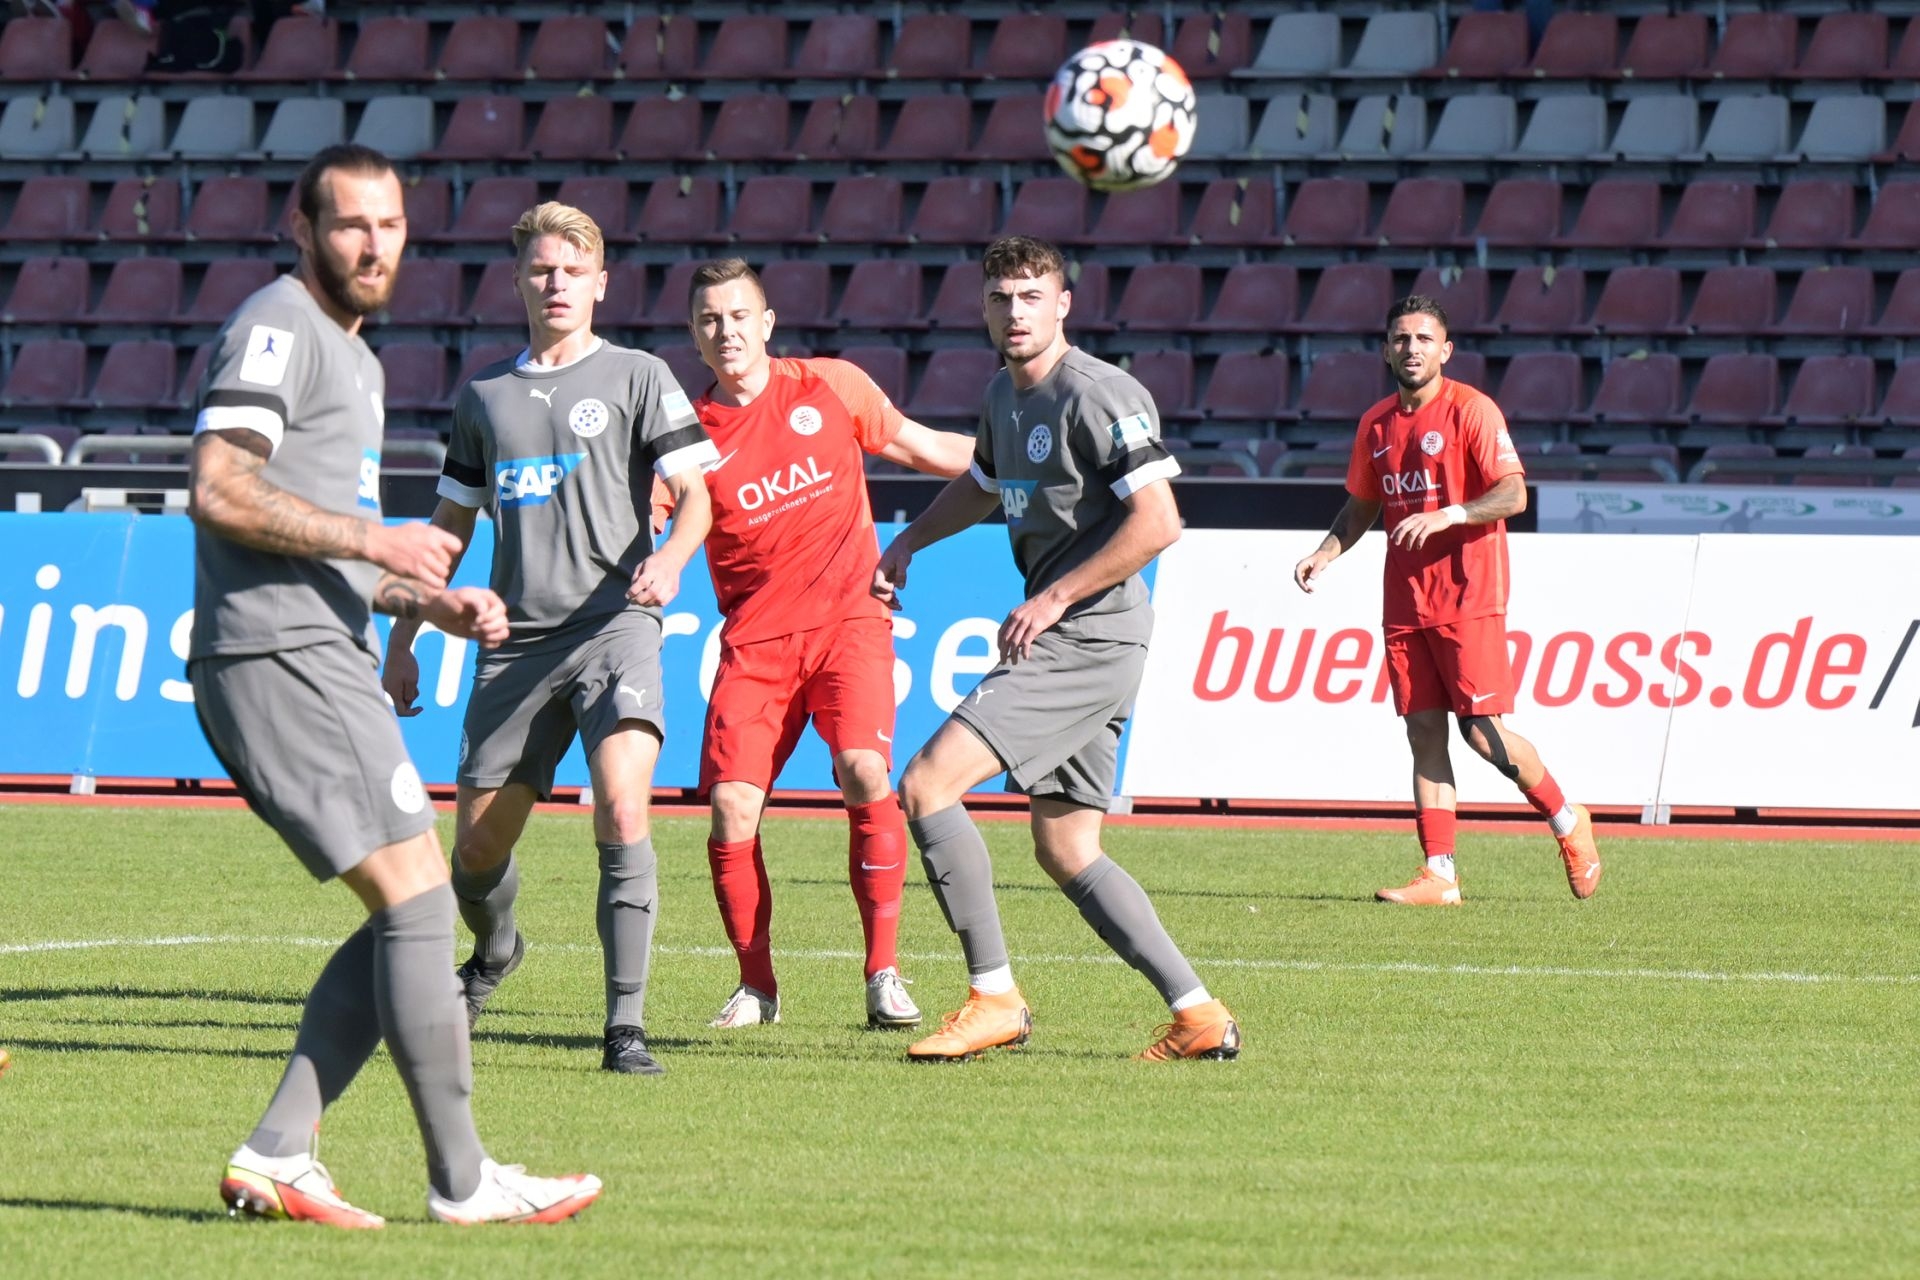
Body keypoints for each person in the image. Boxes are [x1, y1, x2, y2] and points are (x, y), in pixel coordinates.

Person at [188, 145, 599, 1227]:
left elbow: (325, 536)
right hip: (279, 652)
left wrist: (427, 600)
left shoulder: (355, 359)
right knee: (419, 898)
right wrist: (375, 536)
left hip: (319, 644)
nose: (374, 245)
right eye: (350, 224)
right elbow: (221, 486)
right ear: (301, 227)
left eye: (392, 225)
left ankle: (280, 1148)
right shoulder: (278, 325)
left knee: (407, 907)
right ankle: (462, 1178)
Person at [871, 235, 1240, 1063]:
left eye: (1031, 296)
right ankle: (1199, 1014)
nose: (1015, 312)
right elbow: (982, 483)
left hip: (1088, 632)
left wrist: (1055, 596)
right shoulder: (1004, 394)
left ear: (1063, 303)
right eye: (1000, 298)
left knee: (928, 786)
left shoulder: (1099, 393)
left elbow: (1160, 521)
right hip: (1078, 630)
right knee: (1067, 845)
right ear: (983, 308)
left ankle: (993, 996)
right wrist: (910, 544)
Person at [382, 202, 716, 1075]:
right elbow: (448, 532)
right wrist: (404, 639)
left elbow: (698, 495)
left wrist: (675, 558)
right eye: (541, 269)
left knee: (622, 806)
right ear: (520, 280)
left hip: (618, 626)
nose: (557, 282)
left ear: (601, 284)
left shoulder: (640, 376)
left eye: (574, 269)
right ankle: (495, 952)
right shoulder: (485, 395)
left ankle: (625, 1027)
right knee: (476, 854)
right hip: (514, 644)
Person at [679, 258, 973, 1032]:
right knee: (730, 810)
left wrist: (1028, 463)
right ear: (695, 337)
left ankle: (883, 974)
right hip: (755, 642)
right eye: (710, 320)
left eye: (739, 315)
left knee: (863, 769)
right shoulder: (685, 435)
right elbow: (646, 523)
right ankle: (757, 989)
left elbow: (918, 446)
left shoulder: (830, 386)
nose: (727, 331)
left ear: (767, 323)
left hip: (851, 623)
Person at [1292, 294, 1603, 906]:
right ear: (1387, 350)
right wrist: (1325, 552)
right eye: (1402, 339)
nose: (1412, 349)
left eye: (1425, 339)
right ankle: (1440, 873)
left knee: (1483, 735)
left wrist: (1450, 515)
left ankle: (1570, 822)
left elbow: (1513, 494)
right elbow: (1362, 505)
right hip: (1405, 599)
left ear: (1446, 350)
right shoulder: (1376, 424)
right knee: (1424, 733)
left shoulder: (1472, 411)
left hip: (1468, 593)